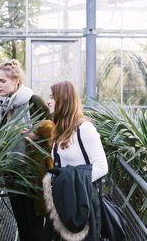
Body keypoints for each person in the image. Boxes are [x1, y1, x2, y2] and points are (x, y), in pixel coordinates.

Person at [0, 59, 50, 241]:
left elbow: (53, 129)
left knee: (36, 222)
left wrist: (36, 136)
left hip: (33, 172)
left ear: (16, 81)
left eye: (2, 81)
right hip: (12, 172)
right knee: (21, 221)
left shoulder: (32, 101)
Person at [43, 81, 108, 241]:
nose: (48, 101)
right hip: (63, 202)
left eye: (52, 97)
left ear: (64, 100)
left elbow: (102, 167)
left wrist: (70, 183)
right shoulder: (60, 129)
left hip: (81, 203)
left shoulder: (85, 129)